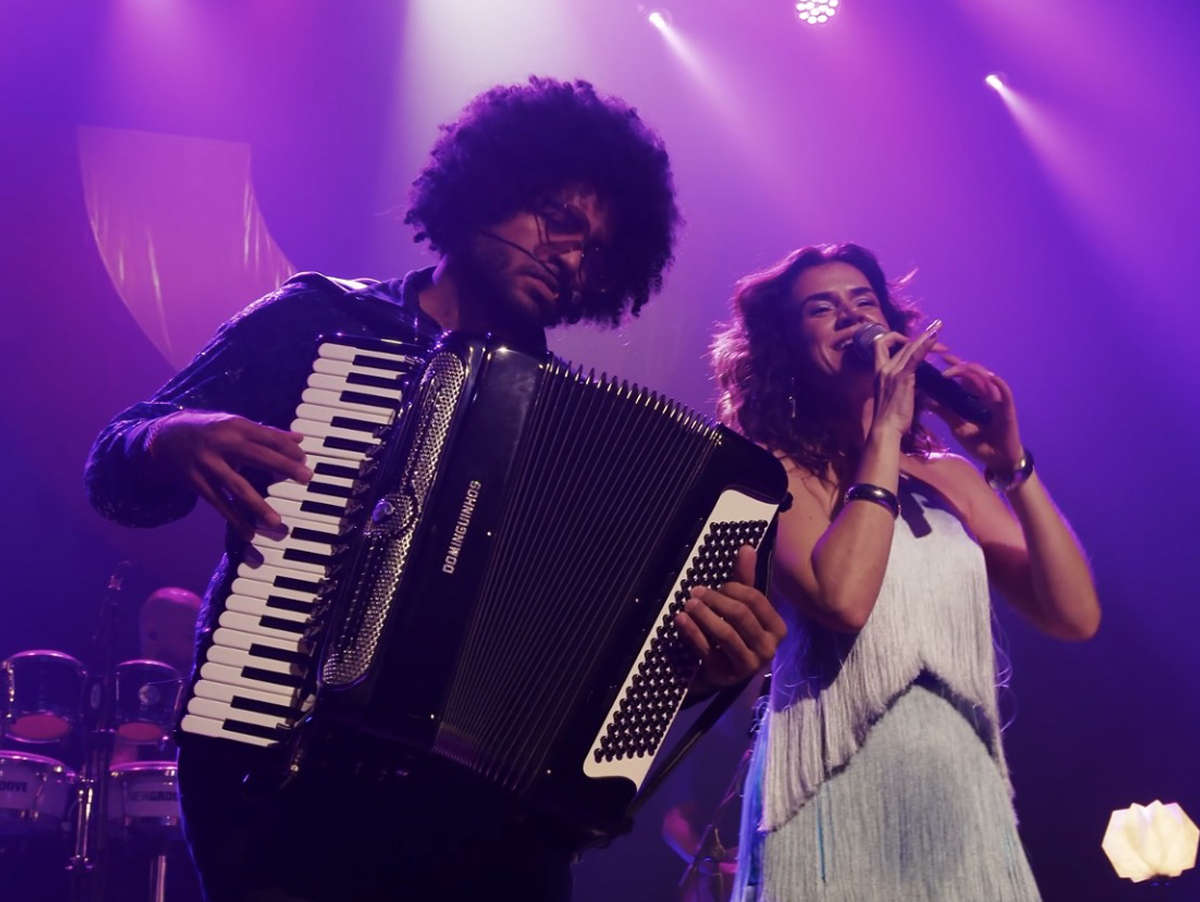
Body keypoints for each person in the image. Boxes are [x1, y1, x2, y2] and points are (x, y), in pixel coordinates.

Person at [85, 77, 786, 902]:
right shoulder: (315, 322)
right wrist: (167, 437)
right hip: (281, 779)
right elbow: (116, 479)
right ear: (489, 181)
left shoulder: (581, 435)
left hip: (485, 827)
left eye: (596, 250)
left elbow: (587, 691)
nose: (571, 257)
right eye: (560, 219)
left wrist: (689, 671)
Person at [709, 243, 1100, 901]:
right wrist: (886, 432)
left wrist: (1012, 466)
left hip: (957, 785)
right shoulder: (772, 473)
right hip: (832, 792)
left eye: (864, 301)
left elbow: (1074, 616)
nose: (852, 318)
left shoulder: (950, 477)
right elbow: (843, 598)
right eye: (821, 309)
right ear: (785, 351)